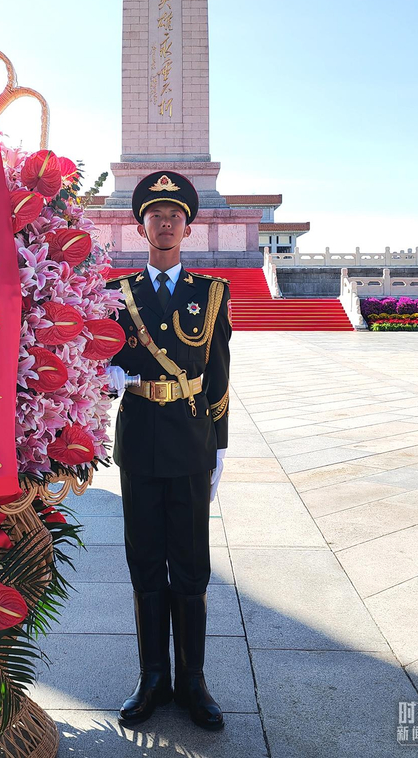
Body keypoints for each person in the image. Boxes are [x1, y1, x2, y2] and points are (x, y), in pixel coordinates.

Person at [105, 170, 231, 732]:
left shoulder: (210, 294)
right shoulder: (117, 294)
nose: (164, 223)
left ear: (187, 227)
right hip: (138, 440)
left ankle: (193, 681)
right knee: (144, 564)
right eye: (154, 216)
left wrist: (219, 447)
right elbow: (97, 356)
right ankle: (152, 677)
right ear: (140, 227)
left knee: (190, 566)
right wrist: (103, 372)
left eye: (173, 216)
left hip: (188, 441)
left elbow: (221, 375)